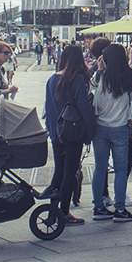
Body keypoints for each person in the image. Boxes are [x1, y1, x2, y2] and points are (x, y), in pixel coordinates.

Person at [40, 45, 95, 226]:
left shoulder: (51, 80)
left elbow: (48, 109)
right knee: (70, 172)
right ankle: (63, 211)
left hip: (57, 134)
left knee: (60, 171)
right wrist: (90, 132)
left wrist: (52, 132)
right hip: (73, 133)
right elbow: (84, 109)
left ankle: (53, 210)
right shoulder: (77, 79)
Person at [89, 43, 132, 223]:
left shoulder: (100, 76)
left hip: (99, 128)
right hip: (120, 128)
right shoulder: (129, 74)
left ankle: (99, 208)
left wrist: (100, 69)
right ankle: (119, 209)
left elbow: (92, 89)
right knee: (120, 169)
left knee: (100, 168)